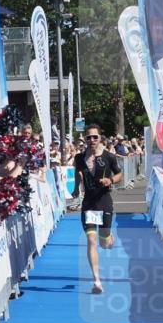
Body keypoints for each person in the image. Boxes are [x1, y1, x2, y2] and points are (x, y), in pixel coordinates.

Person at [72, 123, 122, 293]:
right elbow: (78, 174)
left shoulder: (109, 156)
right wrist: (75, 188)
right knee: (91, 241)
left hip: (104, 201)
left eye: (95, 137)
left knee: (104, 242)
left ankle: (108, 236)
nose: (92, 140)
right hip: (89, 204)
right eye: (89, 137)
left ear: (100, 138)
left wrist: (111, 180)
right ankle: (97, 281)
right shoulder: (79, 158)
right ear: (85, 139)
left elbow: (119, 174)